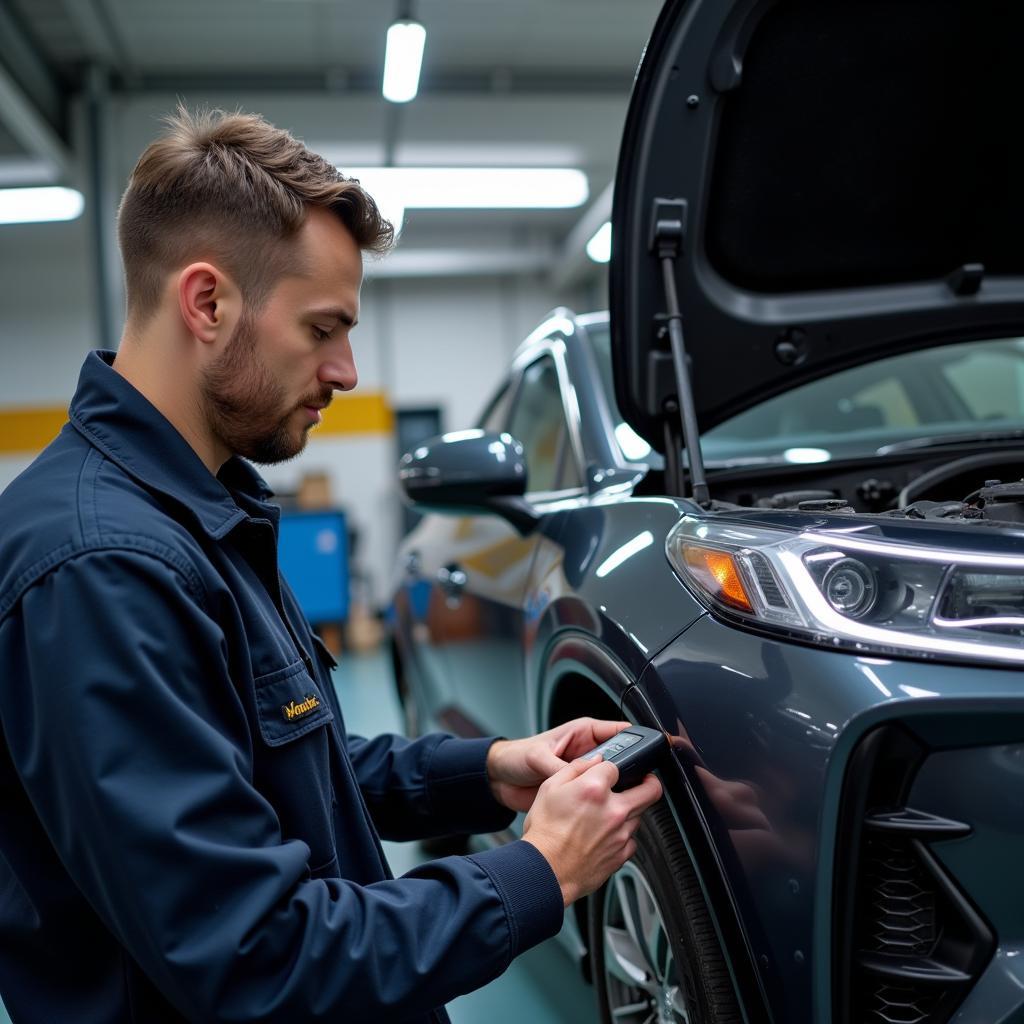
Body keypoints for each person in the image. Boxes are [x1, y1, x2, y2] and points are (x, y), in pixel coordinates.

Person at [0, 107, 662, 1023]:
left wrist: (489, 769)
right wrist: (535, 871)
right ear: (207, 302)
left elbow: (279, 773)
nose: (347, 370)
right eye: (323, 329)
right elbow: (254, 956)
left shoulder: (199, 511)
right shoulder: (101, 569)